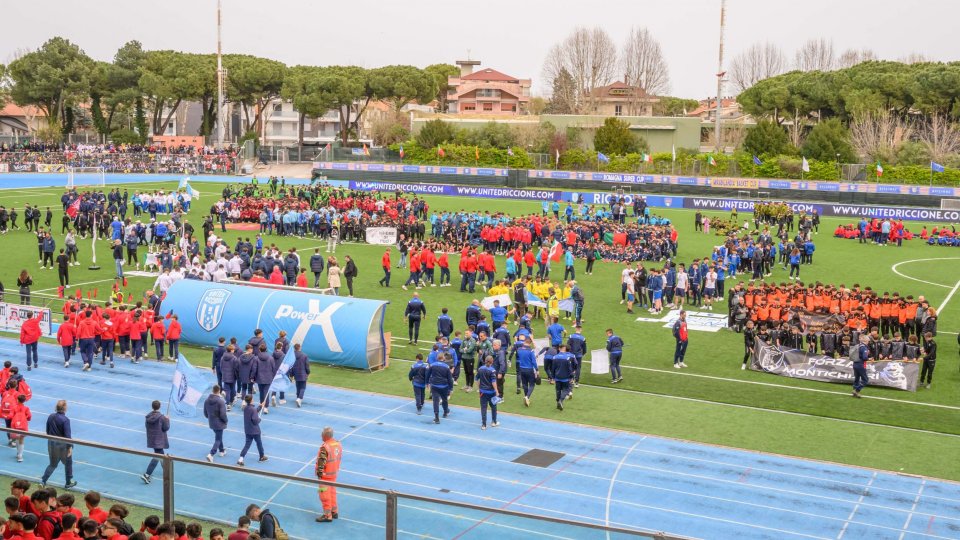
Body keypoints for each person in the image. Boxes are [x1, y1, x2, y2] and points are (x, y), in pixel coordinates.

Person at [40, 400, 76, 488]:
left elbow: (48, 431)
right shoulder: (65, 420)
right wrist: (70, 446)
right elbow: (67, 436)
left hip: (51, 444)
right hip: (62, 445)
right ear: (65, 408)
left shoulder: (51, 416)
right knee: (68, 462)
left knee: (52, 464)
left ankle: (43, 481)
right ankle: (68, 481)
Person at [314, 426, 342, 523]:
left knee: (324, 495)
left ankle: (327, 515)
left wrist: (319, 474)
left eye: (322, 433)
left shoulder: (325, 447)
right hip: (333, 474)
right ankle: (334, 511)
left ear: (325, 436)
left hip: (325, 476)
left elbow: (321, 462)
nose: (321, 435)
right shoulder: (338, 444)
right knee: (332, 492)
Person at [140, 400, 169, 484]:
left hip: (152, 439)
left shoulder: (148, 417)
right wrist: (167, 420)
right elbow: (166, 428)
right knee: (157, 457)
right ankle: (147, 474)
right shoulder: (162, 417)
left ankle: (166, 470)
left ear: (152, 407)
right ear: (159, 407)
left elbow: (147, 426)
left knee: (161, 454)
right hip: (159, 440)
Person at [237, 395, 267, 466]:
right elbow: (255, 420)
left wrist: (260, 406)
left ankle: (241, 458)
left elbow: (254, 412)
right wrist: (259, 419)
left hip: (248, 430)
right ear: (251, 400)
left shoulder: (246, 408)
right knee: (259, 443)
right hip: (255, 431)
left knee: (247, 445)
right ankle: (261, 456)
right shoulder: (252, 409)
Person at [427, 352, 454, 424]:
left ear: (437, 358)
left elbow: (428, 374)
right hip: (444, 386)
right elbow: (450, 379)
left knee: (435, 401)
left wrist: (427, 383)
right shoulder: (446, 367)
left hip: (435, 386)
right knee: (444, 400)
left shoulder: (432, 365)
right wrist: (451, 388)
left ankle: (436, 418)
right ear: (443, 358)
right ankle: (445, 412)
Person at [204, 385, 227, 462]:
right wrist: (225, 420)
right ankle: (211, 454)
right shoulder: (221, 401)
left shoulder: (206, 400)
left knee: (218, 436)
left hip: (211, 422)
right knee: (218, 439)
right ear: (219, 391)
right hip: (219, 423)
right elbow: (223, 414)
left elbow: (205, 413)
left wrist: (210, 417)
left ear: (212, 390)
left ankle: (221, 451)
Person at [477, 355, 500, 429]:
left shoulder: (480, 369)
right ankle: (494, 422)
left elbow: (477, 379)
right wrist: (496, 391)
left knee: (483, 408)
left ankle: (484, 425)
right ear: (492, 362)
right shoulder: (492, 370)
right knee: (493, 407)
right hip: (491, 392)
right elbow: (493, 382)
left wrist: (479, 388)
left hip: (482, 392)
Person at [552, 344, 576, 411]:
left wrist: (553, 377)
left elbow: (553, 368)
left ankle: (558, 402)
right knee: (566, 389)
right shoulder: (567, 358)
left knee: (558, 390)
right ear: (564, 349)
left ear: (559, 349)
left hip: (557, 377)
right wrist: (571, 377)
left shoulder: (555, 357)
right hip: (565, 377)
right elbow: (570, 369)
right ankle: (560, 400)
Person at [516, 340, 539, 407]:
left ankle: (526, 397)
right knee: (532, 384)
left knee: (524, 384)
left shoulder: (519, 349)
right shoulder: (531, 351)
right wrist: (537, 370)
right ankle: (527, 397)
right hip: (529, 369)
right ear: (530, 343)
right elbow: (534, 362)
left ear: (524, 342)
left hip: (521, 369)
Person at [290, 343, 310, 408]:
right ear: (299, 348)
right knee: (303, 387)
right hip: (303, 373)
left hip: (295, 373)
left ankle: (298, 398)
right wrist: (308, 372)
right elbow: (307, 365)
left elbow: (291, 365)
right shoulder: (304, 356)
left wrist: (291, 374)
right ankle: (299, 398)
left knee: (298, 386)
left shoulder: (292, 355)